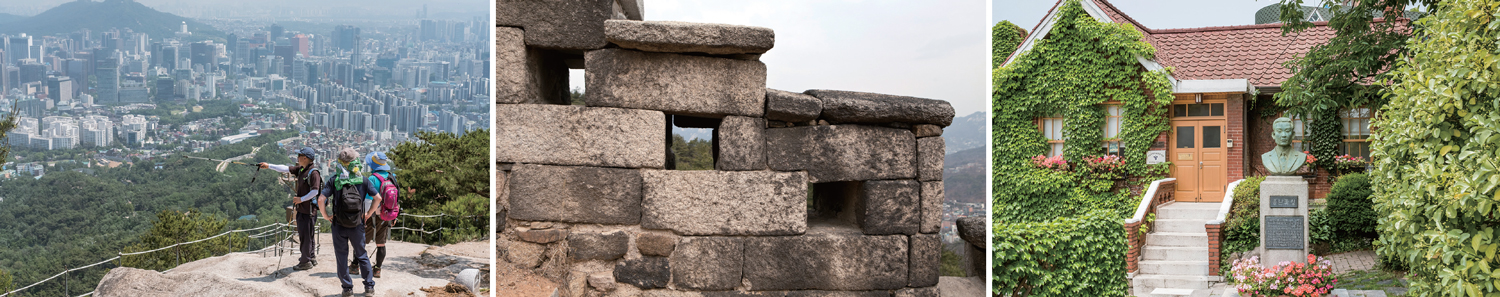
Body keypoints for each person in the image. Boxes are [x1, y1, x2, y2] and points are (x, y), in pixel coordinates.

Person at [320, 148, 380, 297]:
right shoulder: (363, 180)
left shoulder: (335, 180)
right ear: (355, 162)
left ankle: (347, 288)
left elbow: (321, 199)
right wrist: (368, 214)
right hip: (357, 224)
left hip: (338, 224)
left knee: (341, 256)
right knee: (361, 254)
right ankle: (369, 287)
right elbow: (378, 198)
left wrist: (326, 216)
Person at [258, 147, 321, 271]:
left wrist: (301, 199)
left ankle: (305, 261)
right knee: (308, 235)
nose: (297, 157)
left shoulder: (313, 173)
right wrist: (268, 166)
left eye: (299, 155)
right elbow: (285, 168)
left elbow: (315, 190)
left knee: (305, 236)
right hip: (303, 209)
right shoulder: (302, 169)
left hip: (307, 210)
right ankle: (311, 257)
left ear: (305, 158)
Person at [361, 152, 399, 278]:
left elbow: (367, 200)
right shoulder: (392, 176)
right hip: (386, 214)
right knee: (381, 243)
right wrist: (394, 216)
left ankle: (355, 266)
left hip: (372, 214)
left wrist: (365, 215)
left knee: (362, 242)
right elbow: (395, 198)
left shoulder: (372, 179)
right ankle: (377, 269)